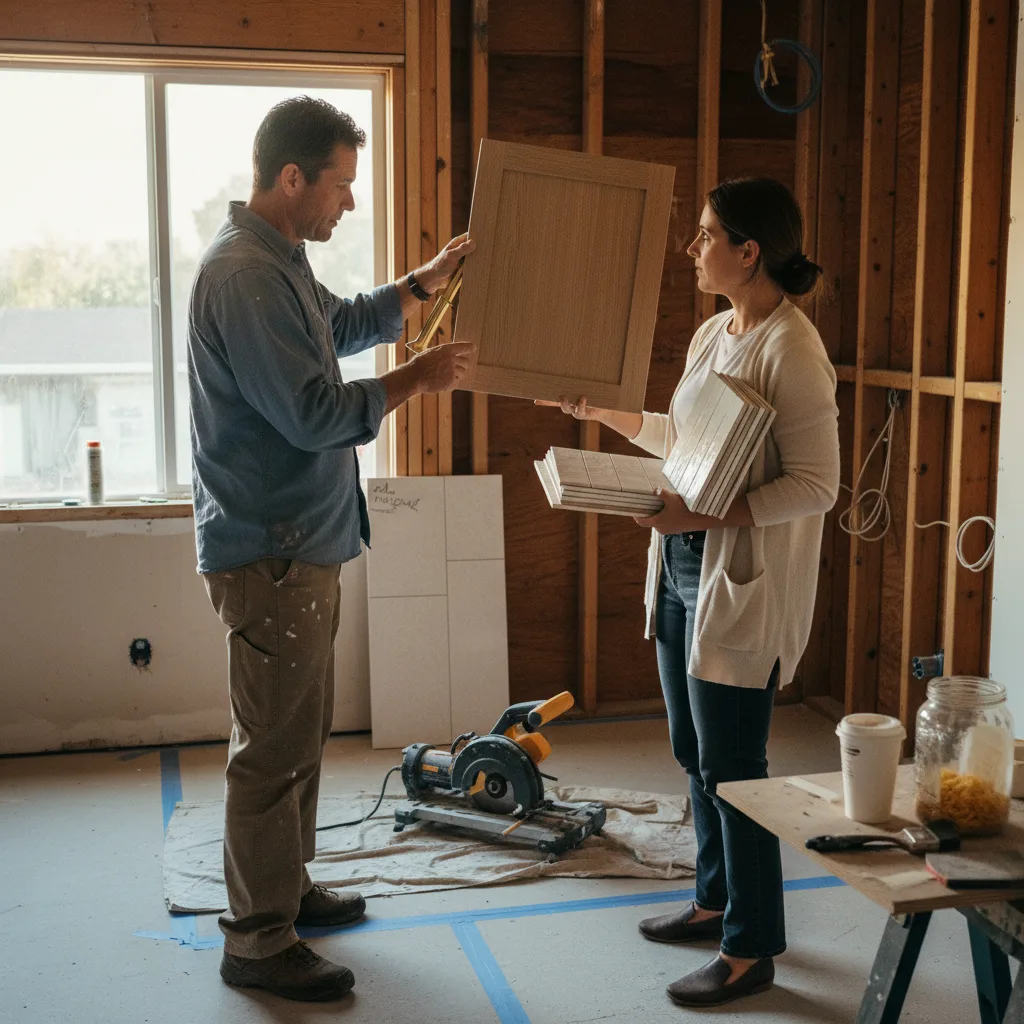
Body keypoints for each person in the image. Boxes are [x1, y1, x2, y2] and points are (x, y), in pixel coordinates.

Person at [187, 95, 475, 1003]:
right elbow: (313, 414)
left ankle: (289, 892)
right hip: (270, 549)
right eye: (341, 186)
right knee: (271, 748)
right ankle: (258, 940)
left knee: (297, 734)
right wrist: (418, 377)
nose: (347, 204)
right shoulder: (242, 274)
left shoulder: (281, 261)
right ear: (290, 178)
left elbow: (342, 324)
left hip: (298, 542)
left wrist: (419, 285)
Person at [541, 177, 840, 1009]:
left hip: (736, 579)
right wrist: (603, 413)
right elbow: (687, 441)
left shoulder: (793, 350)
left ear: (750, 251)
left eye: (706, 235)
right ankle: (715, 901)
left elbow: (819, 485)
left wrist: (710, 511)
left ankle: (753, 948)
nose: (692, 248)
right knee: (691, 752)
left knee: (736, 769)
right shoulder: (715, 334)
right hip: (682, 569)